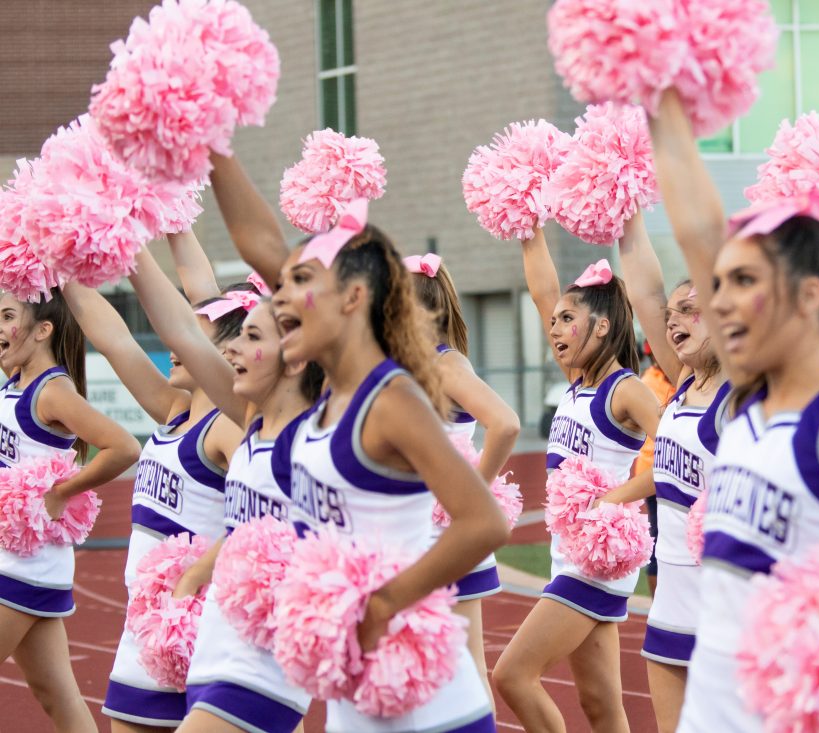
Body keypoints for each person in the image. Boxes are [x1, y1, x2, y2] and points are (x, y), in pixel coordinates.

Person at [647, 87, 819, 733]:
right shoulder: (749, 397)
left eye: (745, 282)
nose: (721, 301)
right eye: (719, 283)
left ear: (810, 295)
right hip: (711, 711)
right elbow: (699, 229)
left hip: (793, 711)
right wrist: (660, 96)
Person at [273, 201, 509, 732]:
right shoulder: (326, 401)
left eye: (302, 281)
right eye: (282, 283)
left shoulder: (391, 399)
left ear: (354, 298)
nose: (283, 296)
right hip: (355, 702)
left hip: (431, 711)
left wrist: (382, 606)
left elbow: (485, 521)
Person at [120, 229, 324, 733]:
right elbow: (182, 330)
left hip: (259, 661)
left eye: (251, 338)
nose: (231, 351)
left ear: (295, 356)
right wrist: (121, 232)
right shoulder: (254, 425)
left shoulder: (319, 439)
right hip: (215, 645)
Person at [493, 228, 660, 733]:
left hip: (595, 561)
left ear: (603, 327)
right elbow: (545, 289)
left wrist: (614, 499)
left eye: (568, 319)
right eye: (555, 321)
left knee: (512, 675)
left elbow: (676, 455)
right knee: (601, 707)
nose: (556, 328)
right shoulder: (576, 384)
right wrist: (530, 229)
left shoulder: (625, 390)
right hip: (566, 553)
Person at [63, 275, 247, 732]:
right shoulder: (173, 409)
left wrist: (195, 578)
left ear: (227, 355)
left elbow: (264, 516)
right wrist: (58, 267)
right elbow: (114, 339)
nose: (174, 344)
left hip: (199, 623)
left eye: (192, 335)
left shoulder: (231, 428)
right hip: (146, 625)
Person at [604, 211, 730, 733]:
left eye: (690, 310)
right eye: (670, 314)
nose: (673, 320)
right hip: (668, 605)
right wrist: (624, 211)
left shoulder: (740, 395)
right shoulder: (682, 381)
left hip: (722, 607)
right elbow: (644, 292)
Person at [0, 290, 141, 733]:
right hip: (21, 565)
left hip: (22, 567)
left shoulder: (53, 391)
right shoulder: (13, 384)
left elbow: (123, 447)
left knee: (57, 695)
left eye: (7, 317)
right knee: (56, 695)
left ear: (43, 330)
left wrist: (62, 492)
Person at [405, 252, 520, 704]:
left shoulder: (446, 365)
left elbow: (506, 423)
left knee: (466, 668)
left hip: (447, 536)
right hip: (411, 536)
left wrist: (472, 495)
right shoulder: (402, 368)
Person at [633, 340, 676, 600]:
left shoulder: (666, 378)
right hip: (653, 472)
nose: (655, 360)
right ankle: (657, 603)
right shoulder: (650, 382)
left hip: (660, 469)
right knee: (660, 538)